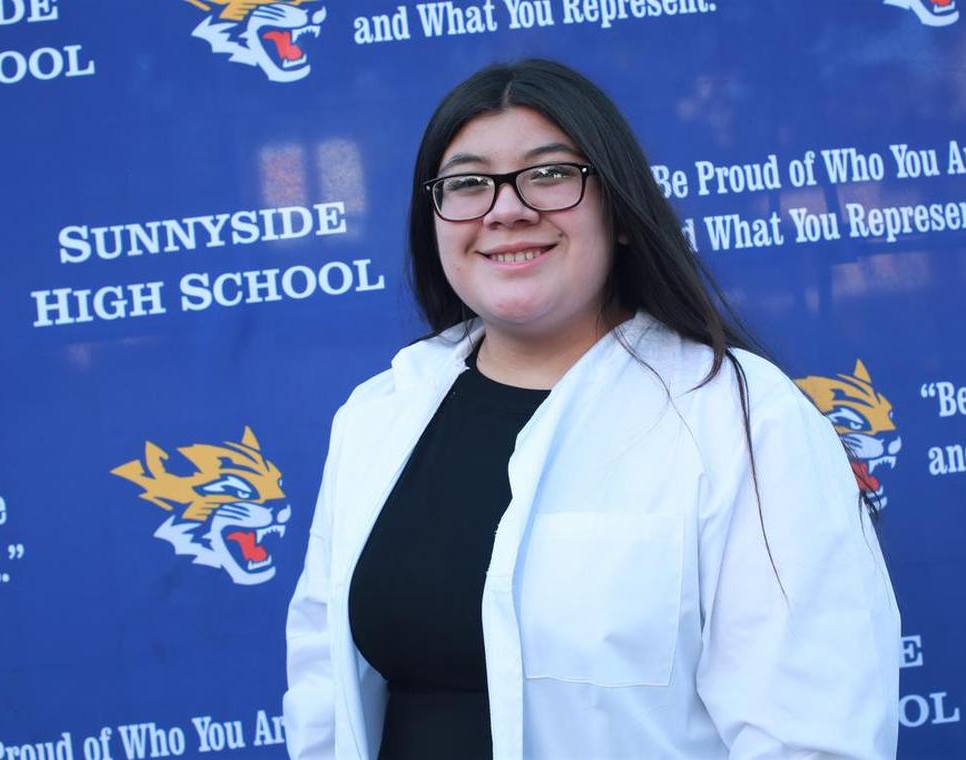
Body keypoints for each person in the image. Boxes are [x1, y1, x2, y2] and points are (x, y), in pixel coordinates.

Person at [283, 59, 900, 760]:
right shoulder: (378, 415)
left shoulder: (742, 417)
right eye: (467, 183)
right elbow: (323, 689)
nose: (505, 208)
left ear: (623, 213)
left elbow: (811, 732)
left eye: (550, 173)